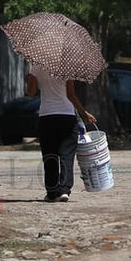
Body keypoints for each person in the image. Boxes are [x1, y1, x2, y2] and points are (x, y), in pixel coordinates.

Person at [26, 64, 97, 202]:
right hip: (67, 116)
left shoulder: (35, 67)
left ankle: (52, 193)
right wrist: (84, 113)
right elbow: (71, 95)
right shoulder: (67, 67)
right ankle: (64, 190)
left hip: (46, 116)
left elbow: (31, 92)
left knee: (49, 155)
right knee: (67, 155)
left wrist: (29, 80)